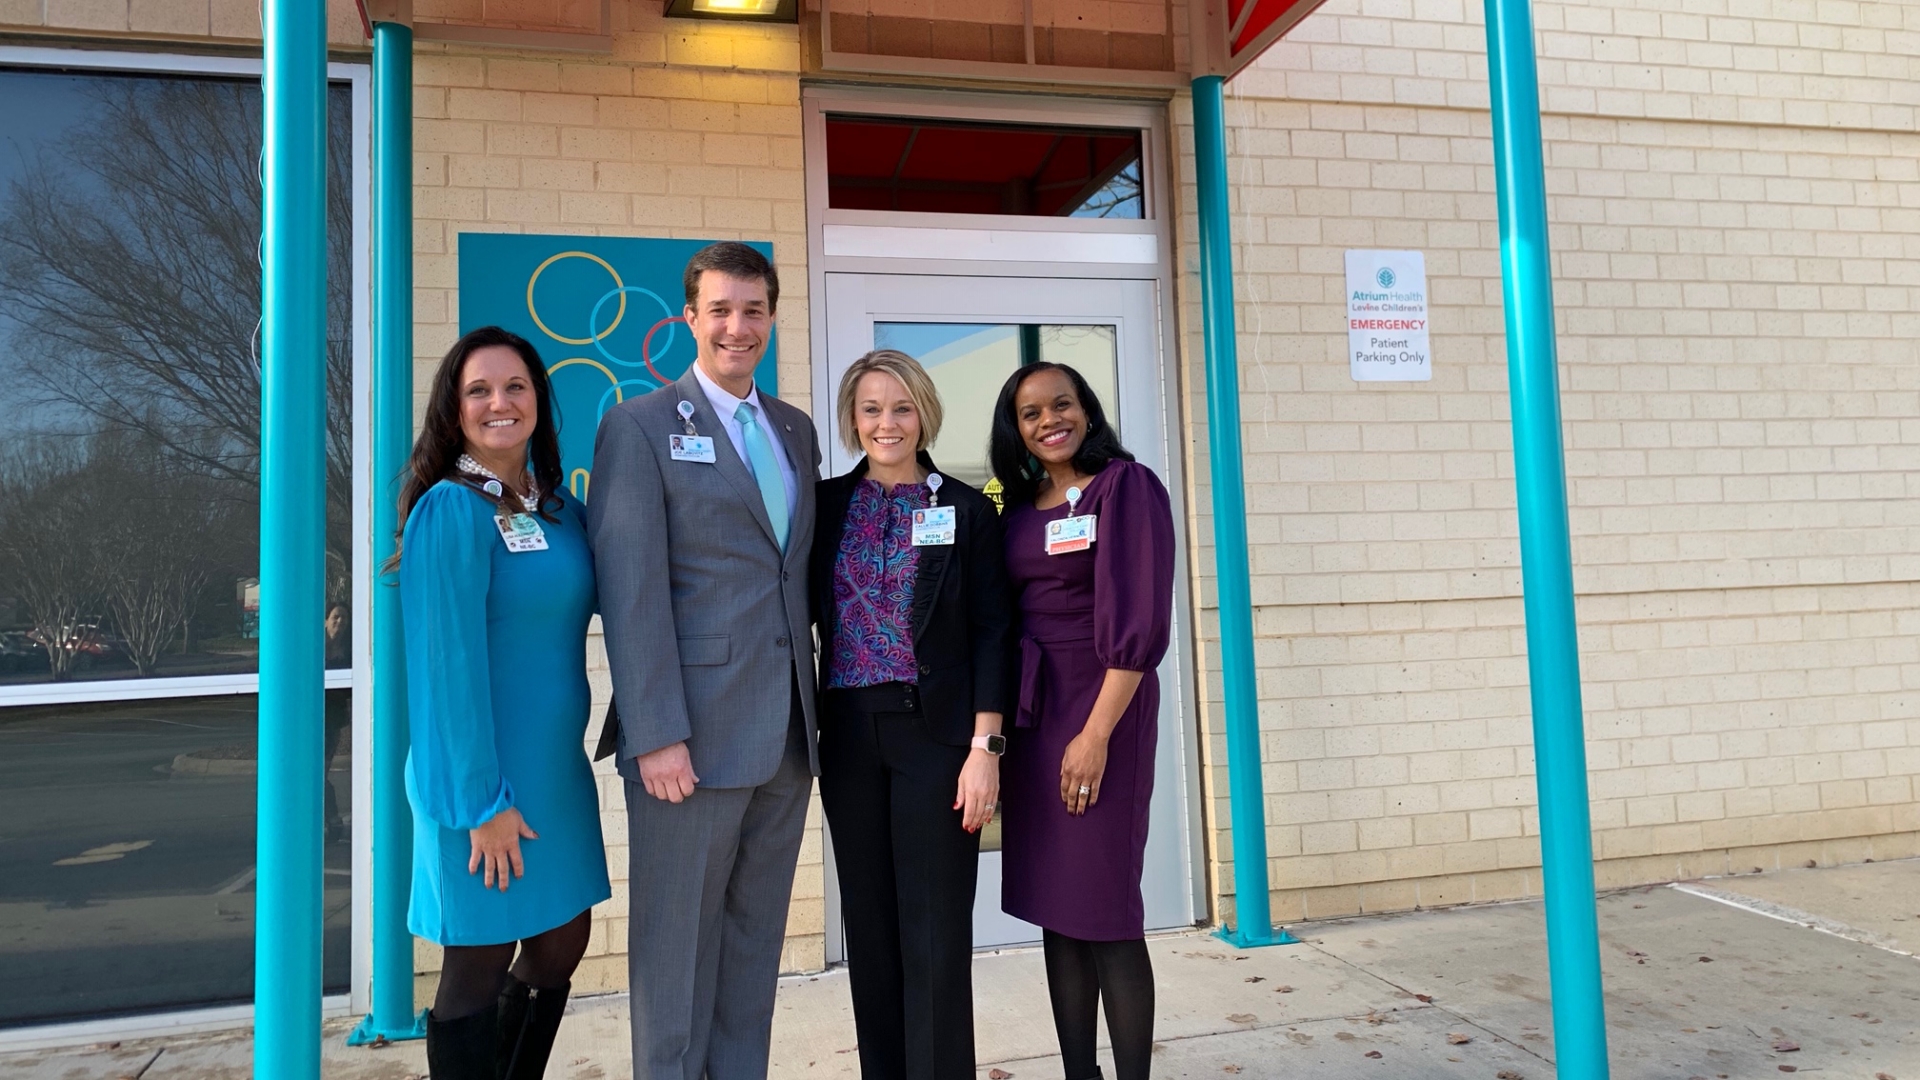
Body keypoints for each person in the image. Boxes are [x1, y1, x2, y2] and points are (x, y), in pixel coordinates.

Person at [588, 242, 820, 1080]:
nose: (737, 325)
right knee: (675, 955)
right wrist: (654, 732)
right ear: (689, 318)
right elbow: (631, 587)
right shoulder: (640, 426)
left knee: (753, 952)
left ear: (771, 317)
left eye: (753, 309)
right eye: (719, 309)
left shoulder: (794, 428)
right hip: (687, 745)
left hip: (788, 740)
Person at [397, 326, 611, 1079]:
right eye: (479, 390)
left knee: (560, 944)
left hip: (555, 773)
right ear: (454, 412)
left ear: (538, 402)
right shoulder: (451, 512)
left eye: (515, 387)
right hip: (482, 781)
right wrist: (481, 803)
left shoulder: (556, 510)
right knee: (478, 962)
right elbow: (442, 672)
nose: (499, 402)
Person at [810, 350, 1013, 1080]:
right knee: (871, 929)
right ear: (852, 419)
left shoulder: (965, 509)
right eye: (870, 409)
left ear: (923, 412)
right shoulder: (825, 504)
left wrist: (984, 748)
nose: (886, 423)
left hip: (938, 738)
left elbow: (993, 631)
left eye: (900, 407)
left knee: (933, 932)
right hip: (849, 739)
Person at [987, 362, 1175, 1080]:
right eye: (1030, 413)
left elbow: (1140, 622)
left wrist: (1094, 736)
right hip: (1037, 719)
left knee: (1105, 913)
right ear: (1019, 431)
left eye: (1060, 405)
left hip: (1105, 708)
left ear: (1087, 412)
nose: (1048, 421)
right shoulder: (1018, 503)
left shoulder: (1125, 489)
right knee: (1059, 911)